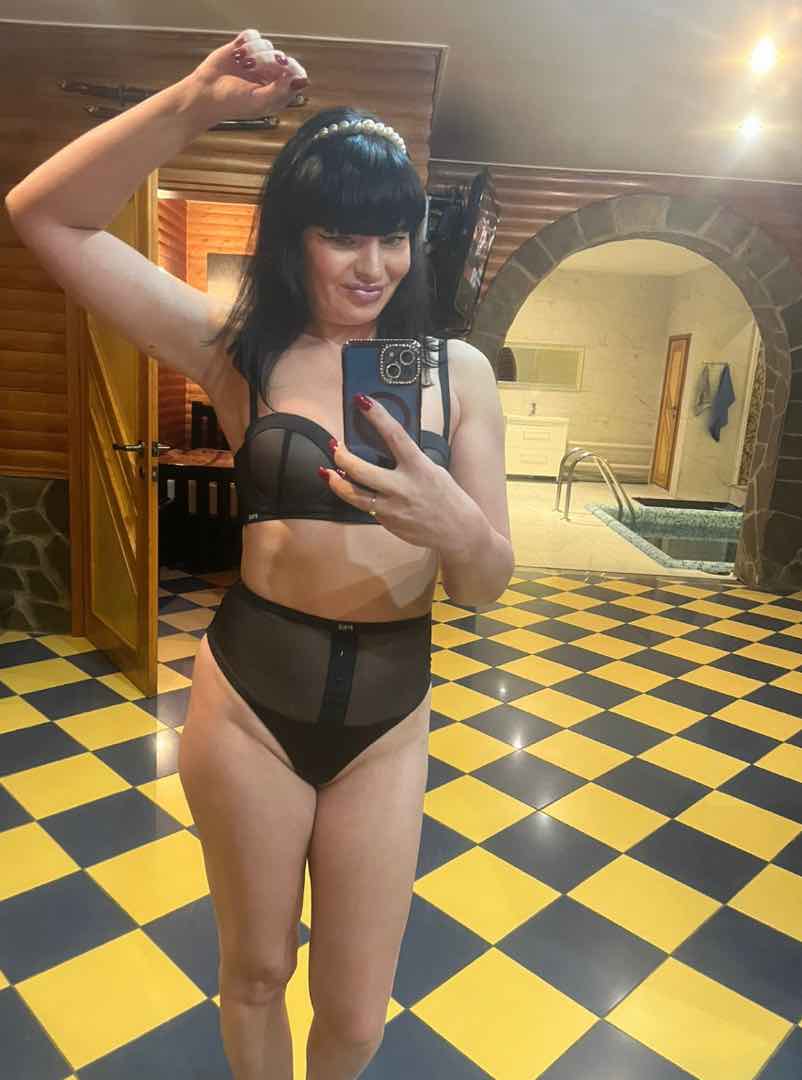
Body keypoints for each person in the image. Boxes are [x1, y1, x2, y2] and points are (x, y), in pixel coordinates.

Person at [6, 28, 513, 1080]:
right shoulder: (243, 353)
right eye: (341, 236)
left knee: (357, 1016)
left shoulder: (454, 372)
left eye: (393, 237)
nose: (371, 267)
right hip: (248, 705)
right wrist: (193, 102)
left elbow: (483, 586)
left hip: (388, 718)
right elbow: (43, 214)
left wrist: (453, 523)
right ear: (294, 239)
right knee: (254, 973)